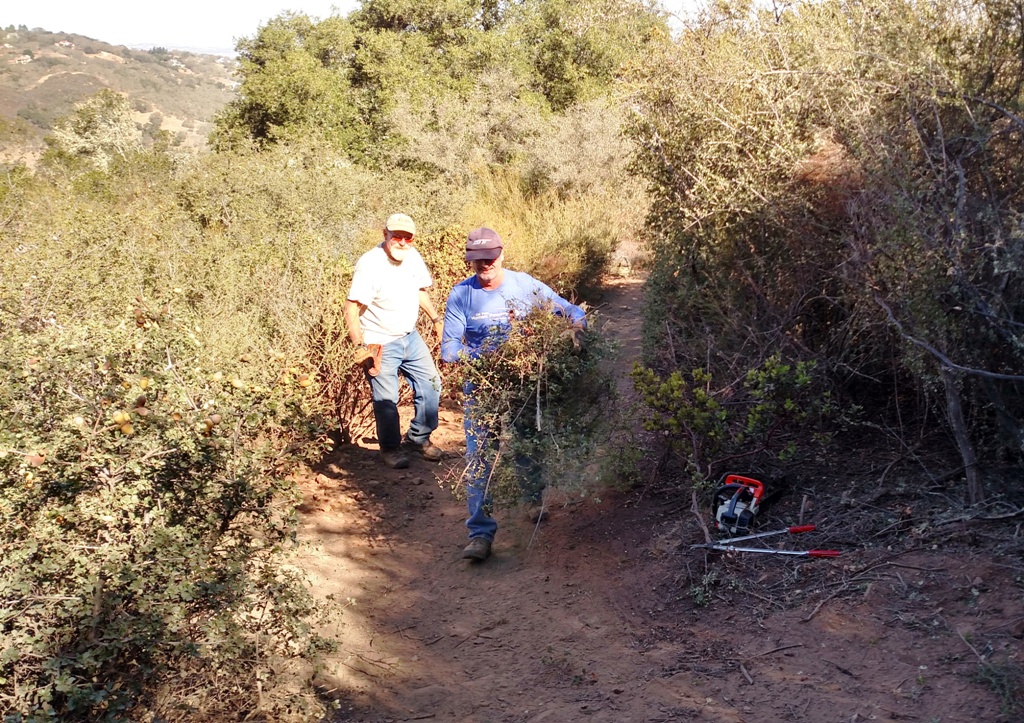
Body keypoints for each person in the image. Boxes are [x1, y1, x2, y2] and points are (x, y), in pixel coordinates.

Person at [441, 227, 587, 561]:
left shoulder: (526, 286)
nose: (484, 265)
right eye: (477, 260)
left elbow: (572, 311)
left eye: (489, 258)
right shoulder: (461, 295)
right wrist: (486, 359)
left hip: (522, 387)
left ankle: (533, 501)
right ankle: (480, 534)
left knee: (527, 446)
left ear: (501, 254)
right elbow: (449, 350)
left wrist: (578, 329)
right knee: (480, 460)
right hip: (483, 389)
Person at [345, 213, 445, 469]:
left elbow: (419, 291)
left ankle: (418, 438)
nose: (402, 242)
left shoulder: (412, 256)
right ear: (385, 235)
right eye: (396, 236)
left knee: (431, 383)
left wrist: (435, 319)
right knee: (386, 400)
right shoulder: (370, 264)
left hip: (409, 336)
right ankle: (389, 449)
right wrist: (359, 345)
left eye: (407, 237)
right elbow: (351, 308)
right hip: (380, 342)